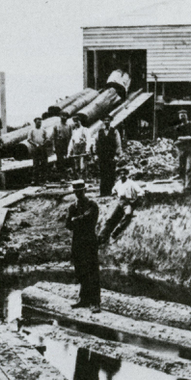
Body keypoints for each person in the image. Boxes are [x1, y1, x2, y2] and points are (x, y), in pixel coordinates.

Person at [64, 180, 101, 312]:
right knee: (81, 270)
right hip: (78, 241)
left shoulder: (92, 205)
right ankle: (84, 299)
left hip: (89, 241)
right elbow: (68, 224)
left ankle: (95, 301)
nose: (78, 193)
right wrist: (77, 220)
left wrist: (76, 220)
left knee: (92, 270)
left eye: (80, 191)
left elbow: (89, 218)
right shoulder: (72, 207)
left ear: (84, 191)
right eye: (76, 191)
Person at [100, 168, 143, 243]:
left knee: (128, 215)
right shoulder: (118, 183)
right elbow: (114, 190)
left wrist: (135, 200)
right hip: (121, 202)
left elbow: (141, 192)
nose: (122, 175)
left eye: (124, 174)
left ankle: (115, 234)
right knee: (111, 218)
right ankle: (102, 236)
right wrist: (114, 193)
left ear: (127, 174)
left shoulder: (131, 183)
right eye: (121, 174)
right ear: (119, 175)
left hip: (128, 202)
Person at [173, 110, 191, 191]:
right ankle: (185, 184)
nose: (182, 117)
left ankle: (188, 187)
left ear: (187, 116)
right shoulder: (178, 128)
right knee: (182, 168)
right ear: (179, 117)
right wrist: (183, 139)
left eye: (183, 115)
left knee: (189, 168)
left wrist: (181, 138)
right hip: (182, 151)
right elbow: (175, 141)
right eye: (180, 116)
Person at [94, 116, 121, 197]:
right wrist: (96, 154)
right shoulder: (100, 132)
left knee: (111, 173)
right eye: (105, 120)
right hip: (102, 156)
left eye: (108, 120)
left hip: (111, 156)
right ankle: (103, 192)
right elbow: (96, 143)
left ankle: (111, 192)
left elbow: (118, 144)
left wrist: (117, 155)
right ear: (103, 121)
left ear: (110, 121)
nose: (106, 122)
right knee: (103, 173)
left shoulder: (114, 131)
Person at [29, 117, 50, 184]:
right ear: (35, 122)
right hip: (35, 149)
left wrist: (43, 143)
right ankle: (35, 180)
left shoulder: (43, 130)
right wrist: (35, 144)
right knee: (36, 164)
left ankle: (44, 179)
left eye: (40, 122)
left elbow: (47, 138)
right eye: (38, 122)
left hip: (42, 148)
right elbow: (29, 139)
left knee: (44, 164)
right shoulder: (32, 130)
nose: (39, 123)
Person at [52, 113, 74, 178]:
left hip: (67, 144)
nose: (64, 117)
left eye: (65, 116)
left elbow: (71, 136)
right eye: (62, 116)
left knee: (68, 159)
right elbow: (53, 137)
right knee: (60, 160)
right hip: (59, 144)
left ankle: (70, 175)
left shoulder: (69, 126)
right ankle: (62, 177)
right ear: (60, 116)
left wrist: (71, 146)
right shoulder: (56, 126)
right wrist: (53, 147)